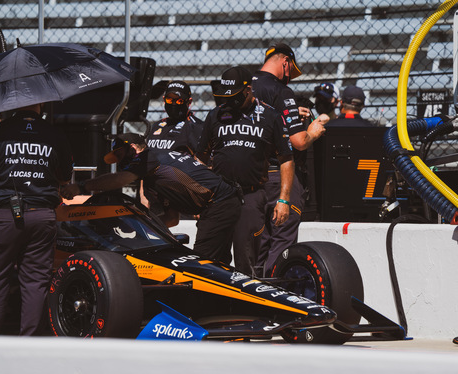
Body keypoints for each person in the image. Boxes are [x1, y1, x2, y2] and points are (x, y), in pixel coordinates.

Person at [0, 103, 74, 335]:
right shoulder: (55, 134)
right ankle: (31, 347)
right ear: (41, 103)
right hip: (42, 216)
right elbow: (65, 178)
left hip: (3, 216)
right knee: (36, 283)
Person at [61, 133, 242, 260]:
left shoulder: (149, 157)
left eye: (119, 155)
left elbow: (119, 179)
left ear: (132, 149)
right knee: (218, 262)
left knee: (203, 263)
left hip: (220, 202)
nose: (119, 162)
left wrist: (81, 186)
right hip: (219, 206)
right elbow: (171, 219)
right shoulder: (151, 180)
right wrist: (140, 230)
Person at [196, 66, 294, 276]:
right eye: (225, 97)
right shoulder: (215, 115)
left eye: (234, 96)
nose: (229, 101)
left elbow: (286, 158)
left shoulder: (270, 116)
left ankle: (247, 305)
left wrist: (284, 199)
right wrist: (198, 193)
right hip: (217, 196)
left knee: (246, 260)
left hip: (250, 195)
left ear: (248, 90)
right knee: (207, 259)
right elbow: (200, 158)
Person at [251, 43, 330, 277]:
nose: (290, 78)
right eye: (291, 72)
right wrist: (313, 131)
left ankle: (250, 291)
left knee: (258, 241)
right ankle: (273, 294)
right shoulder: (281, 91)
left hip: (248, 177)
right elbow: (298, 142)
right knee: (282, 239)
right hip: (278, 176)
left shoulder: (244, 86)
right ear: (285, 61)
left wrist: (291, 112)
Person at [146, 80, 204, 155]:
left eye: (179, 101)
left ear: (189, 102)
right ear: (164, 100)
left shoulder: (196, 127)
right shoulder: (157, 125)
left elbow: (203, 160)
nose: (174, 104)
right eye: (169, 100)